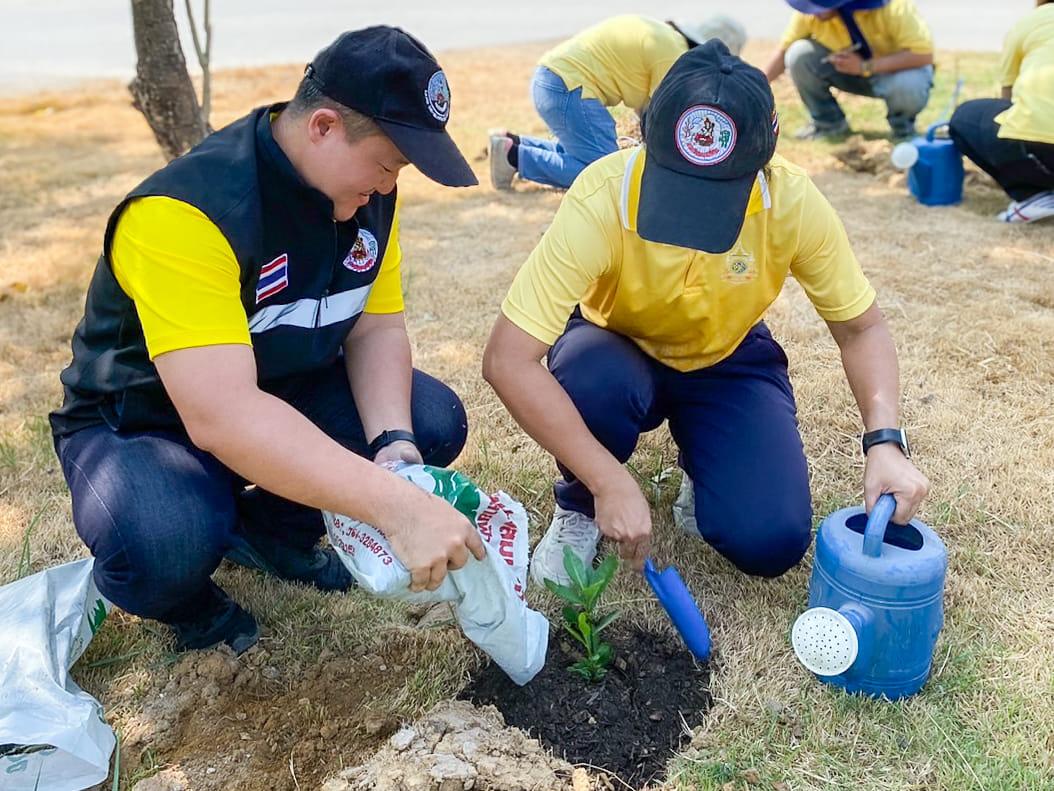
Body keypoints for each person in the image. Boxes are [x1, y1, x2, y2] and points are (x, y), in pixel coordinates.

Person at [48, 27, 487, 654]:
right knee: (164, 542)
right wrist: (396, 508)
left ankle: (271, 533)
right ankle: (191, 598)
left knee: (430, 420)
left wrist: (393, 450)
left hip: (274, 387)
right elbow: (224, 417)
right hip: (145, 424)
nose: (390, 186)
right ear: (324, 127)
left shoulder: (365, 195)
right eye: (388, 163)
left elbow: (376, 326)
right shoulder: (185, 213)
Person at [482, 40, 929, 586]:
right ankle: (577, 505)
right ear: (642, 131)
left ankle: (705, 458)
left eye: (719, 195)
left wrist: (884, 441)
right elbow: (508, 359)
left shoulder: (793, 200)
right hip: (613, 345)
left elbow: (861, 328)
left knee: (771, 541)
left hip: (726, 354)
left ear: (773, 142)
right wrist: (604, 481)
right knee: (593, 378)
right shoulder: (600, 193)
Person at [488, 14, 746, 191]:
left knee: (590, 155)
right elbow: (663, 119)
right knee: (608, 177)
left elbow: (647, 109)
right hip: (569, 89)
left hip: (556, 82)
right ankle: (515, 157)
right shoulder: (673, 56)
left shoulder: (664, 37)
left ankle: (514, 143)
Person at [764, 0, 933, 141]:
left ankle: (903, 128)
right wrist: (754, 88)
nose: (812, 12)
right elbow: (783, 52)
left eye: (819, 6)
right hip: (848, 73)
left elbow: (923, 55)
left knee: (911, 83)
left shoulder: (894, 7)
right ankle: (829, 124)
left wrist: (864, 66)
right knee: (799, 54)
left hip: (893, 75)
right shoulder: (812, 13)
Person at [949, 0, 1054, 224]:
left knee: (965, 118)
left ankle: (1033, 195)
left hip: (1040, 148)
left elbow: (1007, 97)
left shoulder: (1031, 22)